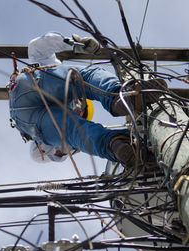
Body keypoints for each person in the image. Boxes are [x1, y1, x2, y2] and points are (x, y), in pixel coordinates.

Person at [8, 32, 166, 168]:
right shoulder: (50, 66)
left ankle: (119, 146)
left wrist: (63, 148)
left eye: (81, 112)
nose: (80, 110)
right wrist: (74, 43)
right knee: (84, 79)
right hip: (27, 92)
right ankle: (119, 98)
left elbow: (38, 153)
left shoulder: (50, 140)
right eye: (82, 111)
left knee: (77, 131)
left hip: (26, 120)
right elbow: (37, 46)